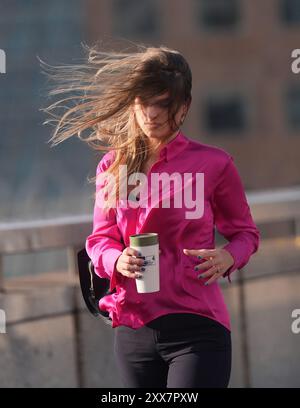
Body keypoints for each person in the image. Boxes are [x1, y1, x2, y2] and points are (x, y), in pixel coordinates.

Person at [41, 43, 260, 388]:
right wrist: (117, 259)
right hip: (133, 329)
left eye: (163, 104)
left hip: (198, 327)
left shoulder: (214, 164)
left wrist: (227, 256)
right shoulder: (113, 166)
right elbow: (100, 240)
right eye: (144, 103)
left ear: (184, 107)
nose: (152, 114)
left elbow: (247, 234)